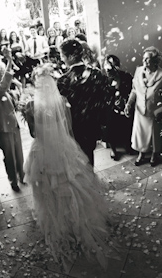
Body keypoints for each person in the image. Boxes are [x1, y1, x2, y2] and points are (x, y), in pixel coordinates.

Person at [24, 64, 110, 269]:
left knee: (49, 188)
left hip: (43, 152)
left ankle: (59, 224)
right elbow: (69, 128)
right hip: (63, 148)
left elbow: (34, 134)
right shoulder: (63, 102)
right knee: (71, 185)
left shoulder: (30, 106)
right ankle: (76, 221)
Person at [57, 39, 113, 166]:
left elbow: (59, 107)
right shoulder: (97, 74)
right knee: (89, 155)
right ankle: (89, 179)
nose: (61, 59)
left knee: (77, 159)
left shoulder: (63, 80)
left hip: (74, 126)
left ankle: (83, 183)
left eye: (62, 55)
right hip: (93, 124)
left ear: (70, 57)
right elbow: (107, 97)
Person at [0, 49, 25, 192]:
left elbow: (10, 102)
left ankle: (22, 175)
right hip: (2, 127)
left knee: (19, 153)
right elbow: (2, 87)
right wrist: (9, 61)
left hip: (13, 125)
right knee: (10, 156)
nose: (3, 76)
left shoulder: (3, 89)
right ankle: (13, 180)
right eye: (1, 73)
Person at [125, 46, 162, 167]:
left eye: (147, 59)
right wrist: (129, 103)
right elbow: (134, 90)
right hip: (140, 109)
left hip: (155, 109)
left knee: (154, 134)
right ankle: (141, 153)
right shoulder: (138, 71)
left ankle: (155, 154)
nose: (144, 61)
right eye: (144, 59)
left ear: (155, 61)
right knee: (140, 133)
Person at [102, 54, 134, 159]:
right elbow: (103, 96)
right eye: (106, 68)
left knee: (127, 126)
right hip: (110, 109)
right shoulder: (104, 80)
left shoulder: (126, 76)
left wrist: (125, 101)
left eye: (111, 68)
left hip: (125, 107)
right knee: (110, 128)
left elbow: (133, 91)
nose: (108, 71)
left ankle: (127, 146)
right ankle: (113, 150)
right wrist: (112, 102)